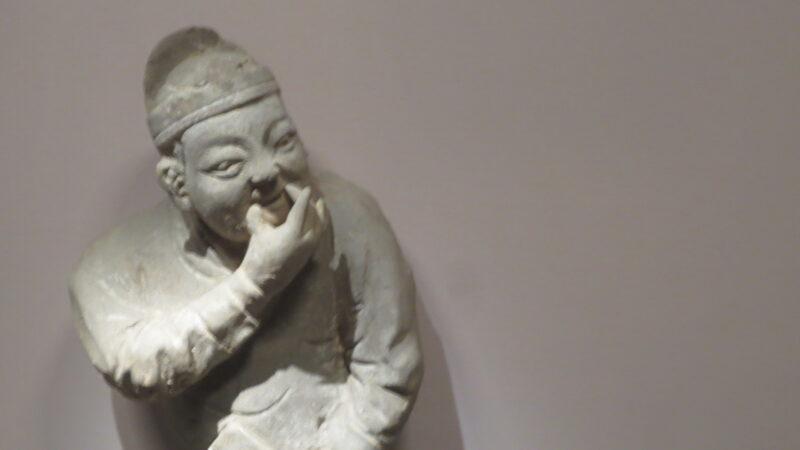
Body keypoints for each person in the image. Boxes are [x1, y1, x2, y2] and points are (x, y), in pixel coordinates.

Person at [69, 27, 423, 450]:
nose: (266, 171)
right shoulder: (115, 266)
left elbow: (388, 371)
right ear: (178, 183)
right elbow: (137, 368)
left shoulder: (348, 217)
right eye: (228, 164)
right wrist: (256, 282)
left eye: (283, 141)